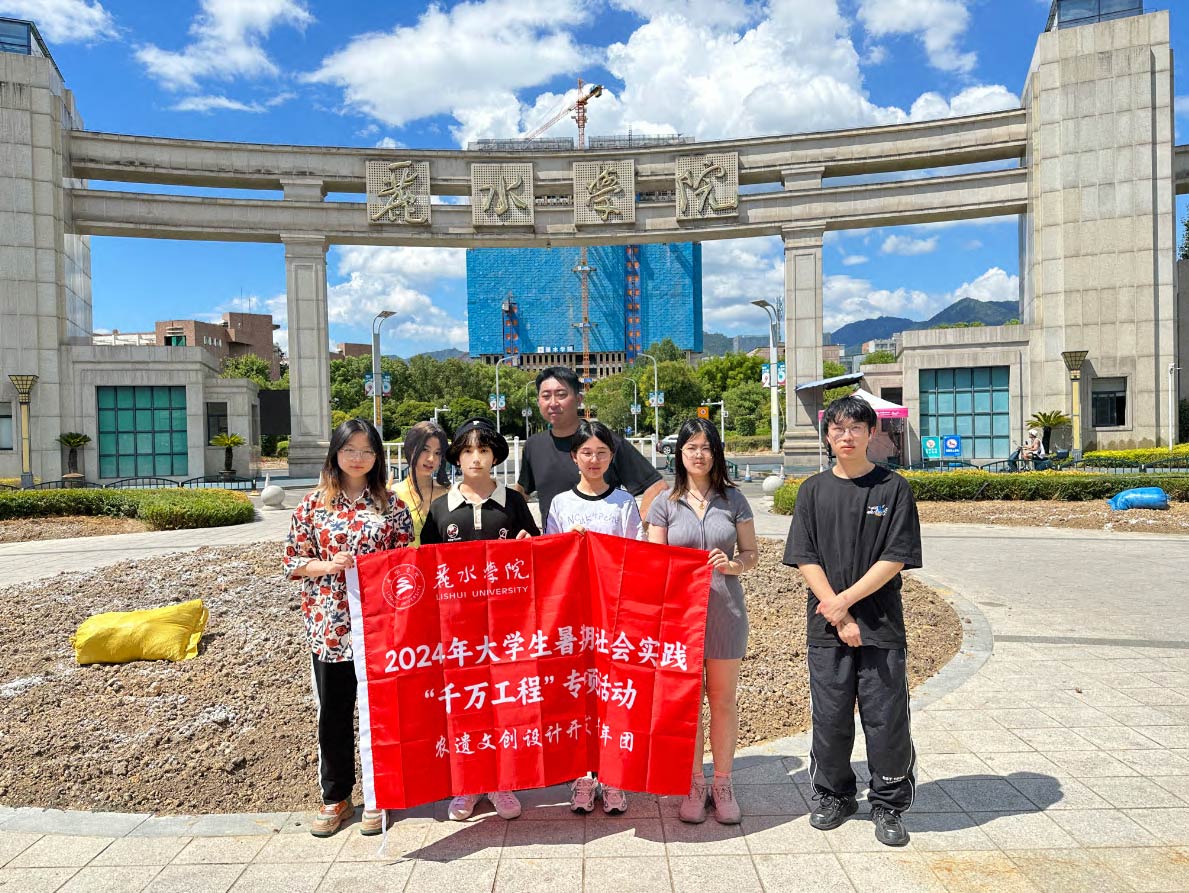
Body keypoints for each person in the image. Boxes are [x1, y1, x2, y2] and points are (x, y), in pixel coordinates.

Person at [783, 394, 922, 848]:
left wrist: (845, 603)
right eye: (838, 428)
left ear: (870, 433)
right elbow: (805, 557)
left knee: (886, 718)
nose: (847, 436)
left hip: (881, 625)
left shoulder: (893, 489)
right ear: (827, 435)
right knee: (831, 718)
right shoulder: (812, 491)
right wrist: (837, 612)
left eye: (856, 428)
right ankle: (834, 795)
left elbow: (896, 557)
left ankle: (889, 802)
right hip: (826, 629)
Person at [282, 419, 415, 838]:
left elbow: (406, 563)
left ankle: (381, 795)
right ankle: (336, 796)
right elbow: (292, 562)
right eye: (350, 449)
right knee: (335, 714)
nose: (358, 458)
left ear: (377, 458)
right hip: (331, 626)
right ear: (335, 453)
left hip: (379, 627)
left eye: (367, 451)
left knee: (381, 714)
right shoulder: (312, 505)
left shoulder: (391, 506)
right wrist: (329, 565)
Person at [420, 417, 540, 821]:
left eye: (484, 450)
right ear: (456, 456)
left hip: (507, 628)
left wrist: (530, 546)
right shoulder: (440, 508)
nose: (476, 457)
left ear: (495, 456)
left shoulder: (515, 503)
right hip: (457, 630)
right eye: (468, 450)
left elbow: (539, 554)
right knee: (465, 706)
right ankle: (468, 785)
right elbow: (422, 567)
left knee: (505, 704)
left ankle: (503, 783)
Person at [646, 417, 758, 825]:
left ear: (716, 453)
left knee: (723, 701)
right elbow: (654, 562)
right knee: (689, 705)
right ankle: (694, 781)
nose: (698, 454)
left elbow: (752, 554)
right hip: (680, 619)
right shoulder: (664, 502)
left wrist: (732, 564)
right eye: (690, 446)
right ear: (679, 452)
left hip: (726, 612)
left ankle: (723, 782)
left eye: (705, 447)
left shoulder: (734, 499)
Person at [544, 419, 643, 816]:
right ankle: (584, 776)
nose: (594, 459)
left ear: (611, 456)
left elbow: (637, 556)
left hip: (614, 614)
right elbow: (551, 555)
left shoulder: (623, 502)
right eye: (587, 452)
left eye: (602, 452)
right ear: (574, 457)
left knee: (614, 694)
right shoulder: (560, 505)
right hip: (574, 616)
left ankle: (614, 776)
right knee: (579, 695)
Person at [517, 365, 667, 523]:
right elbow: (521, 493)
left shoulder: (606, 442)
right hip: (556, 545)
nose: (553, 403)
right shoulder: (534, 445)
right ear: (538, 402)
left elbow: (657, 487)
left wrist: (635, 529)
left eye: (561, 395)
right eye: (546, 396)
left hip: (602, 546)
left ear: (578, 399)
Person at [393, 420, 450, 545]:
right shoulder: (393, 494)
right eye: (425, 449)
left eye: (437, 453)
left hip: (439, 563)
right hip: (405, 563)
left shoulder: (449, 493)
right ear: (410, 448)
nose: (431, 459)